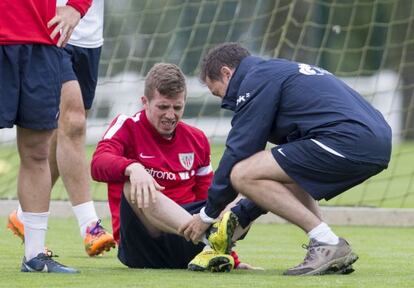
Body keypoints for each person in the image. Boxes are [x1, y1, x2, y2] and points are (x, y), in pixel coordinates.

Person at [180, 42, 392, 275]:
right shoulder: (279, 70)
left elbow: (239, 151)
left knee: (241, 173)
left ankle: (327, 243)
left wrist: (208, 214)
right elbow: (282, 171)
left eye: (218, 92)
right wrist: (242, 213)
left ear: (227, 73)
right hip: (375, 140)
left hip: (348, 140)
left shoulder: (255, 79)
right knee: (287, 168)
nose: (225, 102)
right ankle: (326, 246)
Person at [91, 63, 259, 271]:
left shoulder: (197, 139)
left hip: (189, 243)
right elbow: (98, 163)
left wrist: (234, 258)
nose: (170, 115)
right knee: (132, 186)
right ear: (145, 102)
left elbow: (209, 201)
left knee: (252, 184)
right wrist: (133, 168)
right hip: (144, 246)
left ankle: (213, 246)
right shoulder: (127, 126)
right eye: (163, 107)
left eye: (177, 107)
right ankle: (212, 241)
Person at [7, 0, 116, 258]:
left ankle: (25, 215)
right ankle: (89, 224)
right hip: (47, 28)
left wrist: (79, 9)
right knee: (75, 122)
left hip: (89, 36)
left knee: (58, 134)